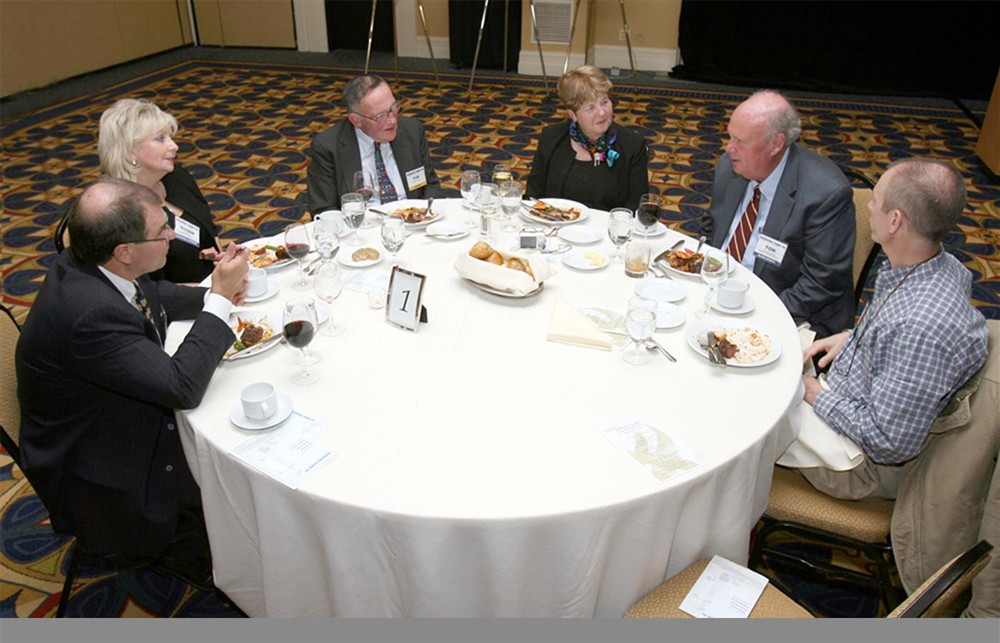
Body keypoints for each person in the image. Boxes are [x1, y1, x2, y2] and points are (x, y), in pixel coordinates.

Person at [16, 178, 248, 588]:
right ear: (124, 251)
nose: (172, 236)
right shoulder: (90, 315)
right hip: (103, 467)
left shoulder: (90, 263)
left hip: (102, 417)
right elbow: (181, 387)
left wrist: (215, 292)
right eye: (162, 232)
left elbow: (149, 292)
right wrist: (221, 301)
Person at [797, 158, 988, 500]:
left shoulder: (920, 328)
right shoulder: (938, 266)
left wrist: (814, 394)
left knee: (744, 412)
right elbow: (896, 345)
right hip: (849, 396)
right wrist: (853, 339)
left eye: (876, 200)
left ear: (896, 221)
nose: (868, 206)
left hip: (858, 462)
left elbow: (887, 442)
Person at [708, 90, 855, 337]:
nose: (728, 148)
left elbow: (820, 285)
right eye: (729, 136)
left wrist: (754, 315)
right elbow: (711, 227)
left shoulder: (825, 194)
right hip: (720, 296)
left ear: (775, 144)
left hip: (790, 313)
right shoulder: (730, 166)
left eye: (740, 141)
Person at [99, 98, 222, 283]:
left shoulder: (176, 178)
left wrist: (220, 260)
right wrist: (216, 291)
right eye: (160, 139)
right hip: (177, 306)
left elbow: (211, 235)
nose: (174, 146)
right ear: (130, 150)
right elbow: (147, 291)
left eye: (171, 137)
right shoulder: (122, 211)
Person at [306, 74, 442, 213]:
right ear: (356, 120)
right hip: (362, 227)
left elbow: (430, 186)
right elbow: (324, 209)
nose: (392, 121)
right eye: (380, 116)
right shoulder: (328, 147)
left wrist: (423, 216)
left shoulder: (412, 131)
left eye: (393, 108)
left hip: (413, 222)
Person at [526, 65, 649, 212]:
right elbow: (533, 198)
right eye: (591, 108)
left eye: (605, 102)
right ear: (573, 115)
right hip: (555, 228)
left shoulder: (632, 145)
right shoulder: (551, 137)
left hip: (608, 231)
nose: (602, 113)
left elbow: (637, 209)